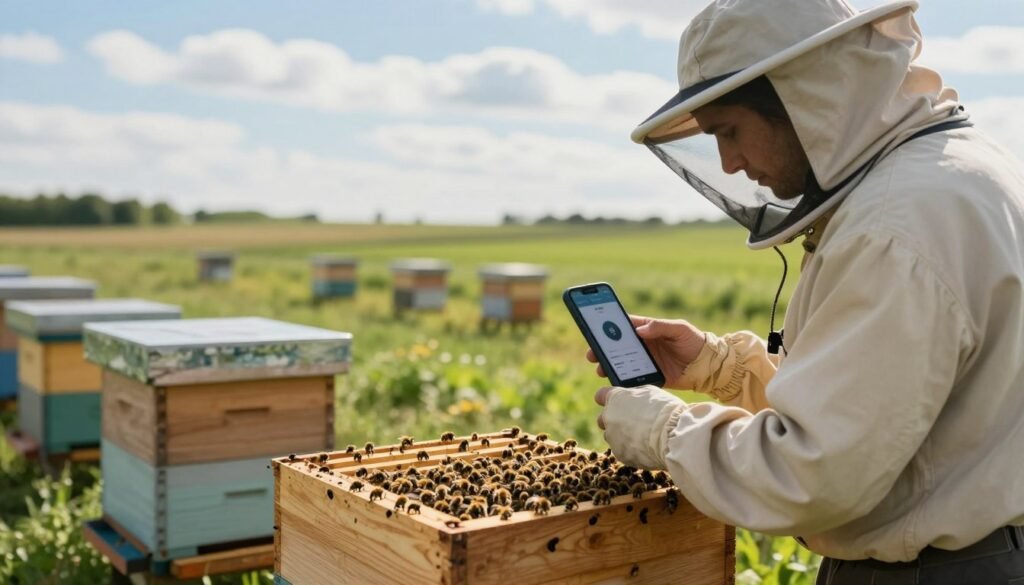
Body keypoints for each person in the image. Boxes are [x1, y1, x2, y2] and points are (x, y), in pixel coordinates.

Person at [588, 0, 1024, 583]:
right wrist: (726, 371)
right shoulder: (954, 173)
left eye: (730, 131)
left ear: (807, 99)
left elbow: (815, 475)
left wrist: (663, 430)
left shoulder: (893, 224)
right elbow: (905, 421)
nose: (730, 162)